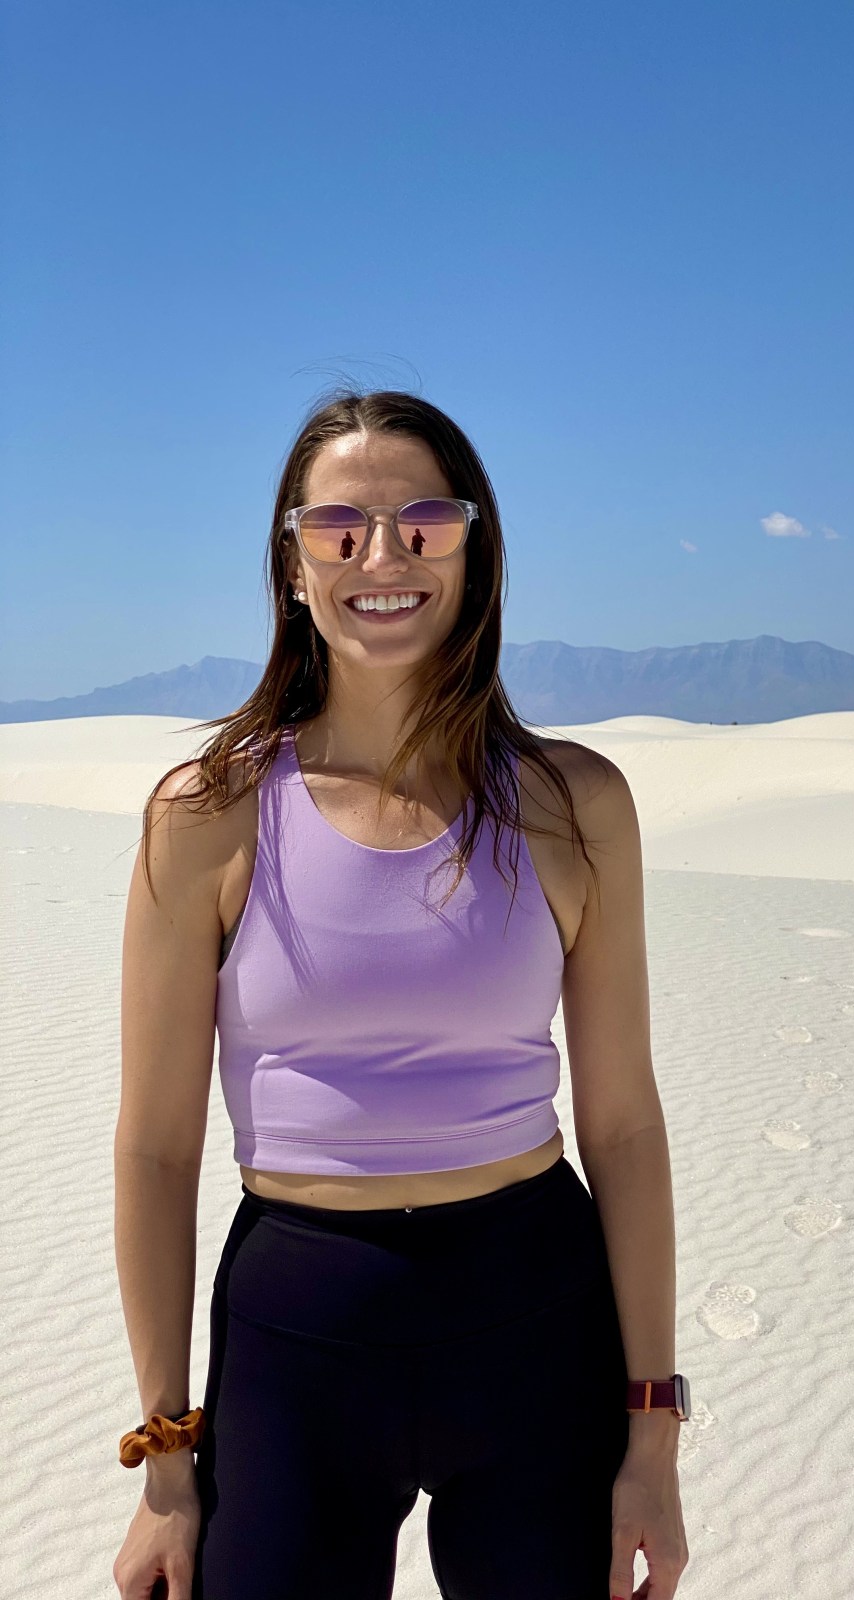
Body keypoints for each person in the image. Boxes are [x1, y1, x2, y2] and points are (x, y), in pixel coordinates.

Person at [111, 390, 691, 1600]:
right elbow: (158, 1149)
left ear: (474, 551)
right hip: (297, 1332)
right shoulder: (205, 814)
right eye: (341, 527)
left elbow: (625, 1125)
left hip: (535, 1314)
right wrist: (166, 1460)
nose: (384, 556)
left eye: (425, 522)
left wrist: (653, 1436)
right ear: (292, 557)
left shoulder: (575, 805)